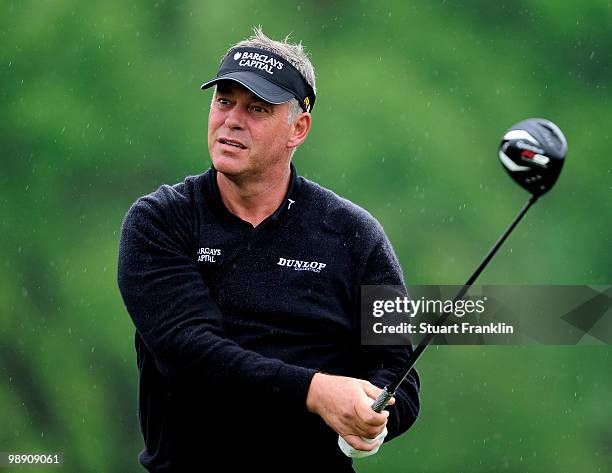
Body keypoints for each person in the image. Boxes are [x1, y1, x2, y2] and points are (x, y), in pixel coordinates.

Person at [117, 28, 420, 472]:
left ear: (298, 128)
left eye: (257, 109)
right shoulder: (161, 221)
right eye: (224, 101)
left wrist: (371, 417)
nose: (233, 120)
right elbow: (192, 354)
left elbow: (399, 373)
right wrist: (317, 392)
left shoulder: (355, 236)